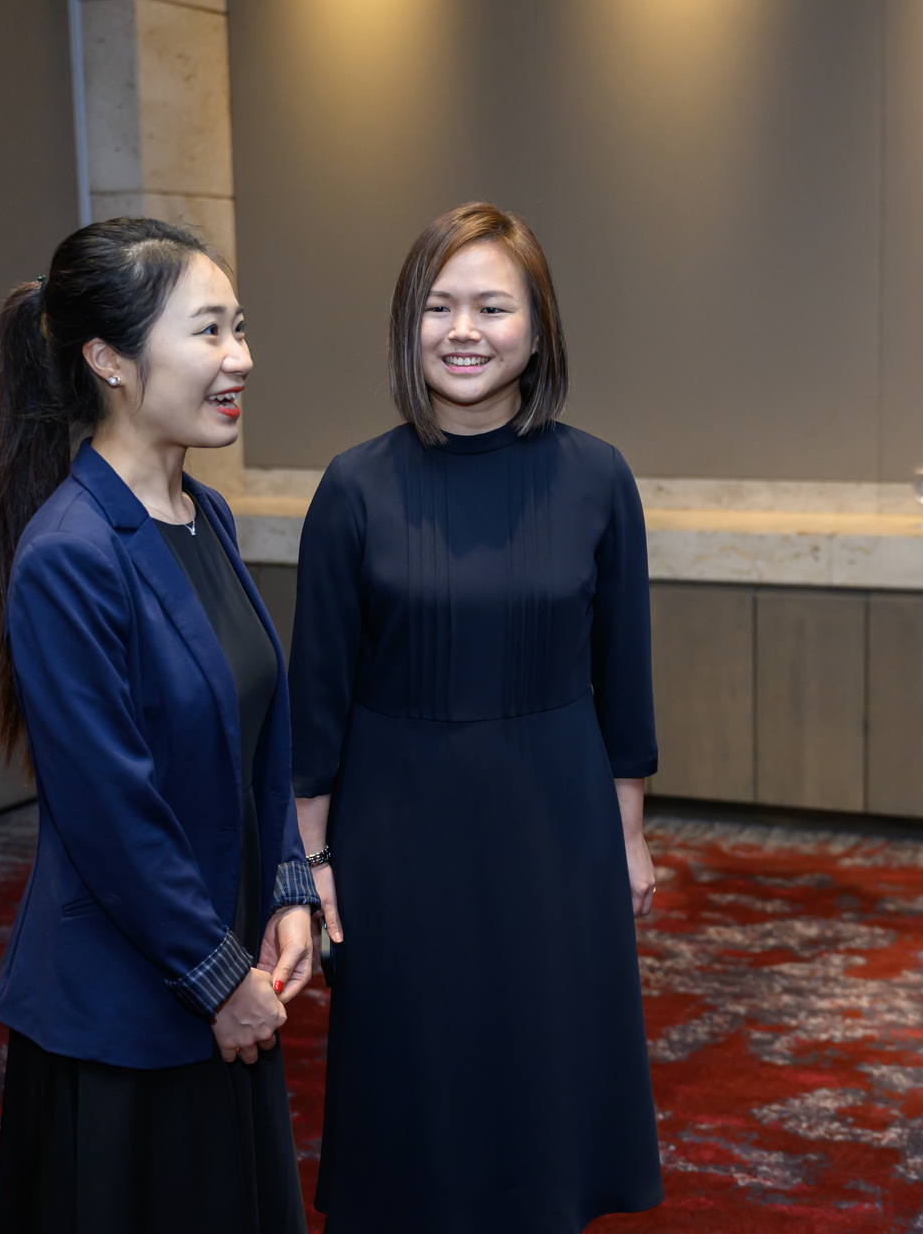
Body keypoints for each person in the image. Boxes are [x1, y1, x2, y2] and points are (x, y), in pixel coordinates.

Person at [289, 202, 663, 1231]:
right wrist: (310, 866)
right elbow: (315, 696)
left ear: (537, 329)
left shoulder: (597, 478)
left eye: (492, 307)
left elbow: (621, 679)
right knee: (415, 1070)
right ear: (408, 324)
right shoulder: (353, 489)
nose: (464, 330)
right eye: (439, 306)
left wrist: (627, 838)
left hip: (556, 820)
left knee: (543, 1063)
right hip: (396, 830)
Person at [0, 218, 320, 1234]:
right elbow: (109, 811)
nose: (241, 358)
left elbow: (258, 727)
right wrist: (219, 979)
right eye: (210, 331)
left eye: (241, 328)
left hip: (224, 981)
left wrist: (289, 891)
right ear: (109, 359)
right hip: (129, 1013)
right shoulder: (70, 553)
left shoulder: (201, 517)